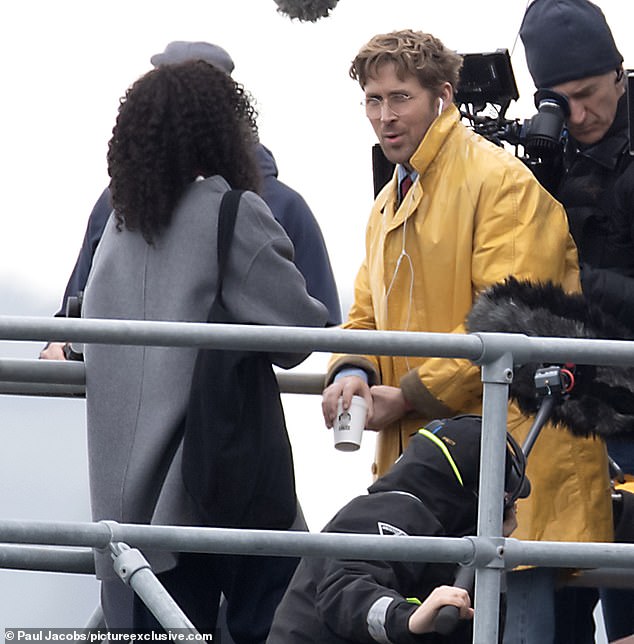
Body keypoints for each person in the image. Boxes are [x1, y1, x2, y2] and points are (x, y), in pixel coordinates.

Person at [320, 28, 613, 644]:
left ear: (442, 96)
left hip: (520, 473)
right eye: (372, 100)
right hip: (440, 477)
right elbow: (365, 312)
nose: (384, 115)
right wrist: (352, 370)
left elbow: (509, 321)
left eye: (399, 96)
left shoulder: (499, 181)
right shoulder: (389, 202)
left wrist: (408, 395)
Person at [81, 60, 328, 638]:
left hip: (126, 508)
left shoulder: (118, 225)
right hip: (213, 487)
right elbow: (299, 332)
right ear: (222, 131)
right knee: (288, 614)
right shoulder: (228, 210)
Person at [40, 40, 340, 360]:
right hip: (224, 404)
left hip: (146, 406)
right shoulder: (116, 202)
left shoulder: (119, 204)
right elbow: (72, 321)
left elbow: (320, 340)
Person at [520, 2, 634, 642]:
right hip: (559, 409)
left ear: (620, 73)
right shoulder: (544, 149)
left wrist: (572, 278)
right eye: (562, 103)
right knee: (549, 597)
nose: (581, 115)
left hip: (628, 414)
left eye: (590, 94)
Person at [267, 414, 529, 643]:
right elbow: (344, 588)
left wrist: (492, 555)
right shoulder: (394, 511)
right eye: (505, 499)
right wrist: (407, 618)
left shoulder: (446, 535)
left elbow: (470, 632)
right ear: (472, 493)